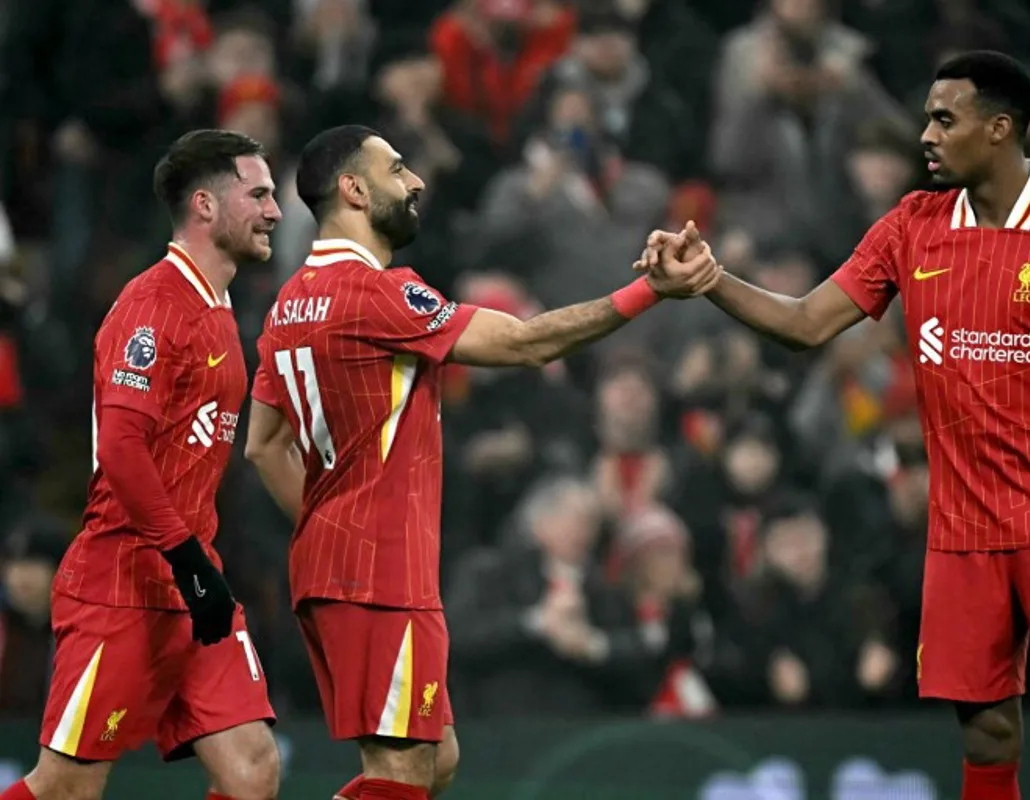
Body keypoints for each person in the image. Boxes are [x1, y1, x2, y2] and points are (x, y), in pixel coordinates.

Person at [638, 52, 1030, 800]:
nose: (927, 134)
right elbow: (808, 322)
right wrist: (711, 281)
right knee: (986, 734)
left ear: (1000, 128)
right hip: (961, 533)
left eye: (945, 118)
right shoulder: (913, 226)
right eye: (927, 117)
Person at [242, 124, 719, 800]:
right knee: (402, 774)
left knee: (434, 760)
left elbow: (263, 444)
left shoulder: (288, 304)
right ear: (352, 189)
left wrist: (325, 528)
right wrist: (648, 293)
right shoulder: (379, 293)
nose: (416, 183)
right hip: (379, 570)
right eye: (397, 169)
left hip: (335, 568)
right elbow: (525, 344)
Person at [0, 130, 283, 800]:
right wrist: (188, 559)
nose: (275, 210)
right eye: (260, 193)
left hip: (193, 585)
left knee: (252, 774)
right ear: (206, 207)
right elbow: (122, 452)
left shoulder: (217, 307)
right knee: (66, 786)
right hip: (124, 583)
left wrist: (197, 567)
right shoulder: (152, 306)